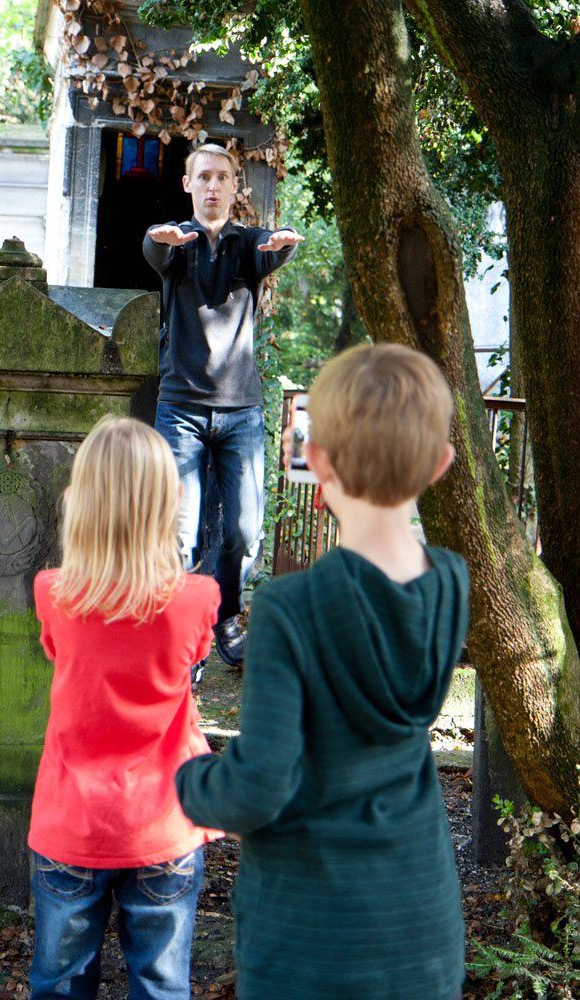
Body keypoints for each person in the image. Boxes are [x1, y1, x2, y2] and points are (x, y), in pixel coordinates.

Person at [175, 344, 469, 1000]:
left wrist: (189, 780)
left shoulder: (289, 607)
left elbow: (257, 788)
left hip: (312, 936)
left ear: (319, 462)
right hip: (420, 922)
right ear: (441, 464)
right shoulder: (452, 582)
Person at [27, 416, 221, 1000]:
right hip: (165, 822)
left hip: (72, 823)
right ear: (168, 503)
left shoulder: (52, 593)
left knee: (60, 986)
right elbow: (193, 658)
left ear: (79, 502)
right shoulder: (199, 599)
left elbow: (61, 655)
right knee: (162, 987)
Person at [143, 143, 302, 670]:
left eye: (223, 178)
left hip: (241, 413)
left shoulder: (244, 243)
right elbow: (156, 250)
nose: (213, 186)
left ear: (236, 188)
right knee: (181, 533)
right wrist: (155, 239)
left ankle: (226, 614)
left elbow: (270, 250)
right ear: (188, 185)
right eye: (203, 177)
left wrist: (282, 246)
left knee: (242, 530)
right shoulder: (177, 242)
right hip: (181, 410)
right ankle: (183, 644)